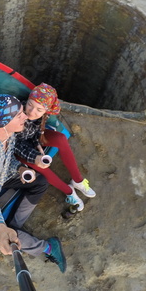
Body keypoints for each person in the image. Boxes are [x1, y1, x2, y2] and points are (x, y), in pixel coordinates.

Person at [0, 94, 66, 272]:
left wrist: (20, 170)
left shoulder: (7, 134)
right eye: (19, 115)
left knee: (39, 182)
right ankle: (47, 247)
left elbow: (6, 161)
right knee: (2, 235)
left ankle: (15, 226)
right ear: (3, 122)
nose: (25, 116)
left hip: (0, 177)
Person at [15, 83, 96, 211]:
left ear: (46, 111)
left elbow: (36, 131)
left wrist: (37, 145)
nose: (31, 111)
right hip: (18, 149)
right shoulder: (17, 112)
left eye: (39, 110)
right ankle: (69, 191)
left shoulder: (42, 116)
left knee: (60, 138)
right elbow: (15, 144)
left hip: (32, 138)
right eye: (30, 104)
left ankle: (78, 181)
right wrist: (35, 156)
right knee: (39, 166)